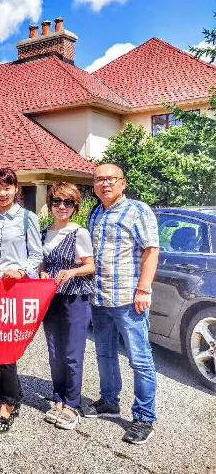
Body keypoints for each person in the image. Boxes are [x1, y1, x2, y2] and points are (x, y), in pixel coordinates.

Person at [82, 164, 160, 445]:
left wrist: (144, 288)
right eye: (99, 180)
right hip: (100, 297)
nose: (105, 184)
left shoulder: (138, 210)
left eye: (111, 179)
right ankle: (109, 400)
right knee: (104, 353)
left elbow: (151, 250)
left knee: (140, 359)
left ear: (123, 183)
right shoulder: (95, 212)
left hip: (128, 298)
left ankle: (144, 417)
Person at [0, 167, 42, 433]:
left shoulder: (27, 219)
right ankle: (13, 392)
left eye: (7, 188)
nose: (2, 193)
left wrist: (21, 270)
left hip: (16, 290)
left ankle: (7, 403)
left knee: (6, 346)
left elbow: (37, 255)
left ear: (16, 189)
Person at [38, 182, 95, 431]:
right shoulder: (44, 232)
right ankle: (58, 398)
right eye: (57, 201)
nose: (62, 207)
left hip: (74, 297)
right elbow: (41, 262)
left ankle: (72, 404)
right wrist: (41, 272)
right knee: (54, 351)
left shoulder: (79, 232)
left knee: (72, 352)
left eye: (68, 202)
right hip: (50, 298)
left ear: (75, 206)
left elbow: (90, 266)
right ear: (50, 204)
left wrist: (71, 272)